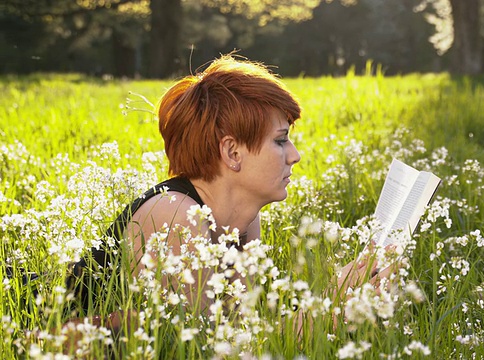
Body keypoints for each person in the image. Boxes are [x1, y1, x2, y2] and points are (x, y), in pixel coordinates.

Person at [64, 54, 390, 339]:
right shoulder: (175, 215)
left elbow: (241, 335)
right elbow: (200, 348)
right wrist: (332, 302)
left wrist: (343, 302)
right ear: (232, 151)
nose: (295, 155)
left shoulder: (243, 219)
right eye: (280, 141)